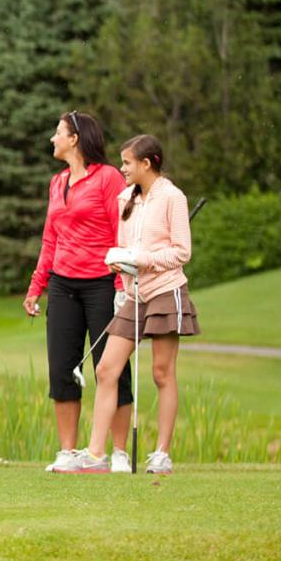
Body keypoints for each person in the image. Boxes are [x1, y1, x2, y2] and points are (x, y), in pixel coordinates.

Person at [57, 135, 199, 475]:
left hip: (165, 290)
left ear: (147, 164)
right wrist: (119, 263)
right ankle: (95, 455)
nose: (122, 168)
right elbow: (124, 245)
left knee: (162, 373)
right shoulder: (126, 198)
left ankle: (162, 454)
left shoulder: (172, 197)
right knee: (106, 369)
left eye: (127, 163)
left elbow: (182, 252)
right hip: (134, 295)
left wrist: (141, 259)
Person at [23, 111, 134, 473]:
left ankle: (118, 452)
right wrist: (36, 285)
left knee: (111, 366)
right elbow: (50, 238)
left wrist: (122, 286)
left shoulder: (108, 178)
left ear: (75, 139)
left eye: (58, 133)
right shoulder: (57, 183)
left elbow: (123, 231)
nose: (52, 139)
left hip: (103, 282)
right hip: (62, 285)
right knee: (63, 368)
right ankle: (68, 452)